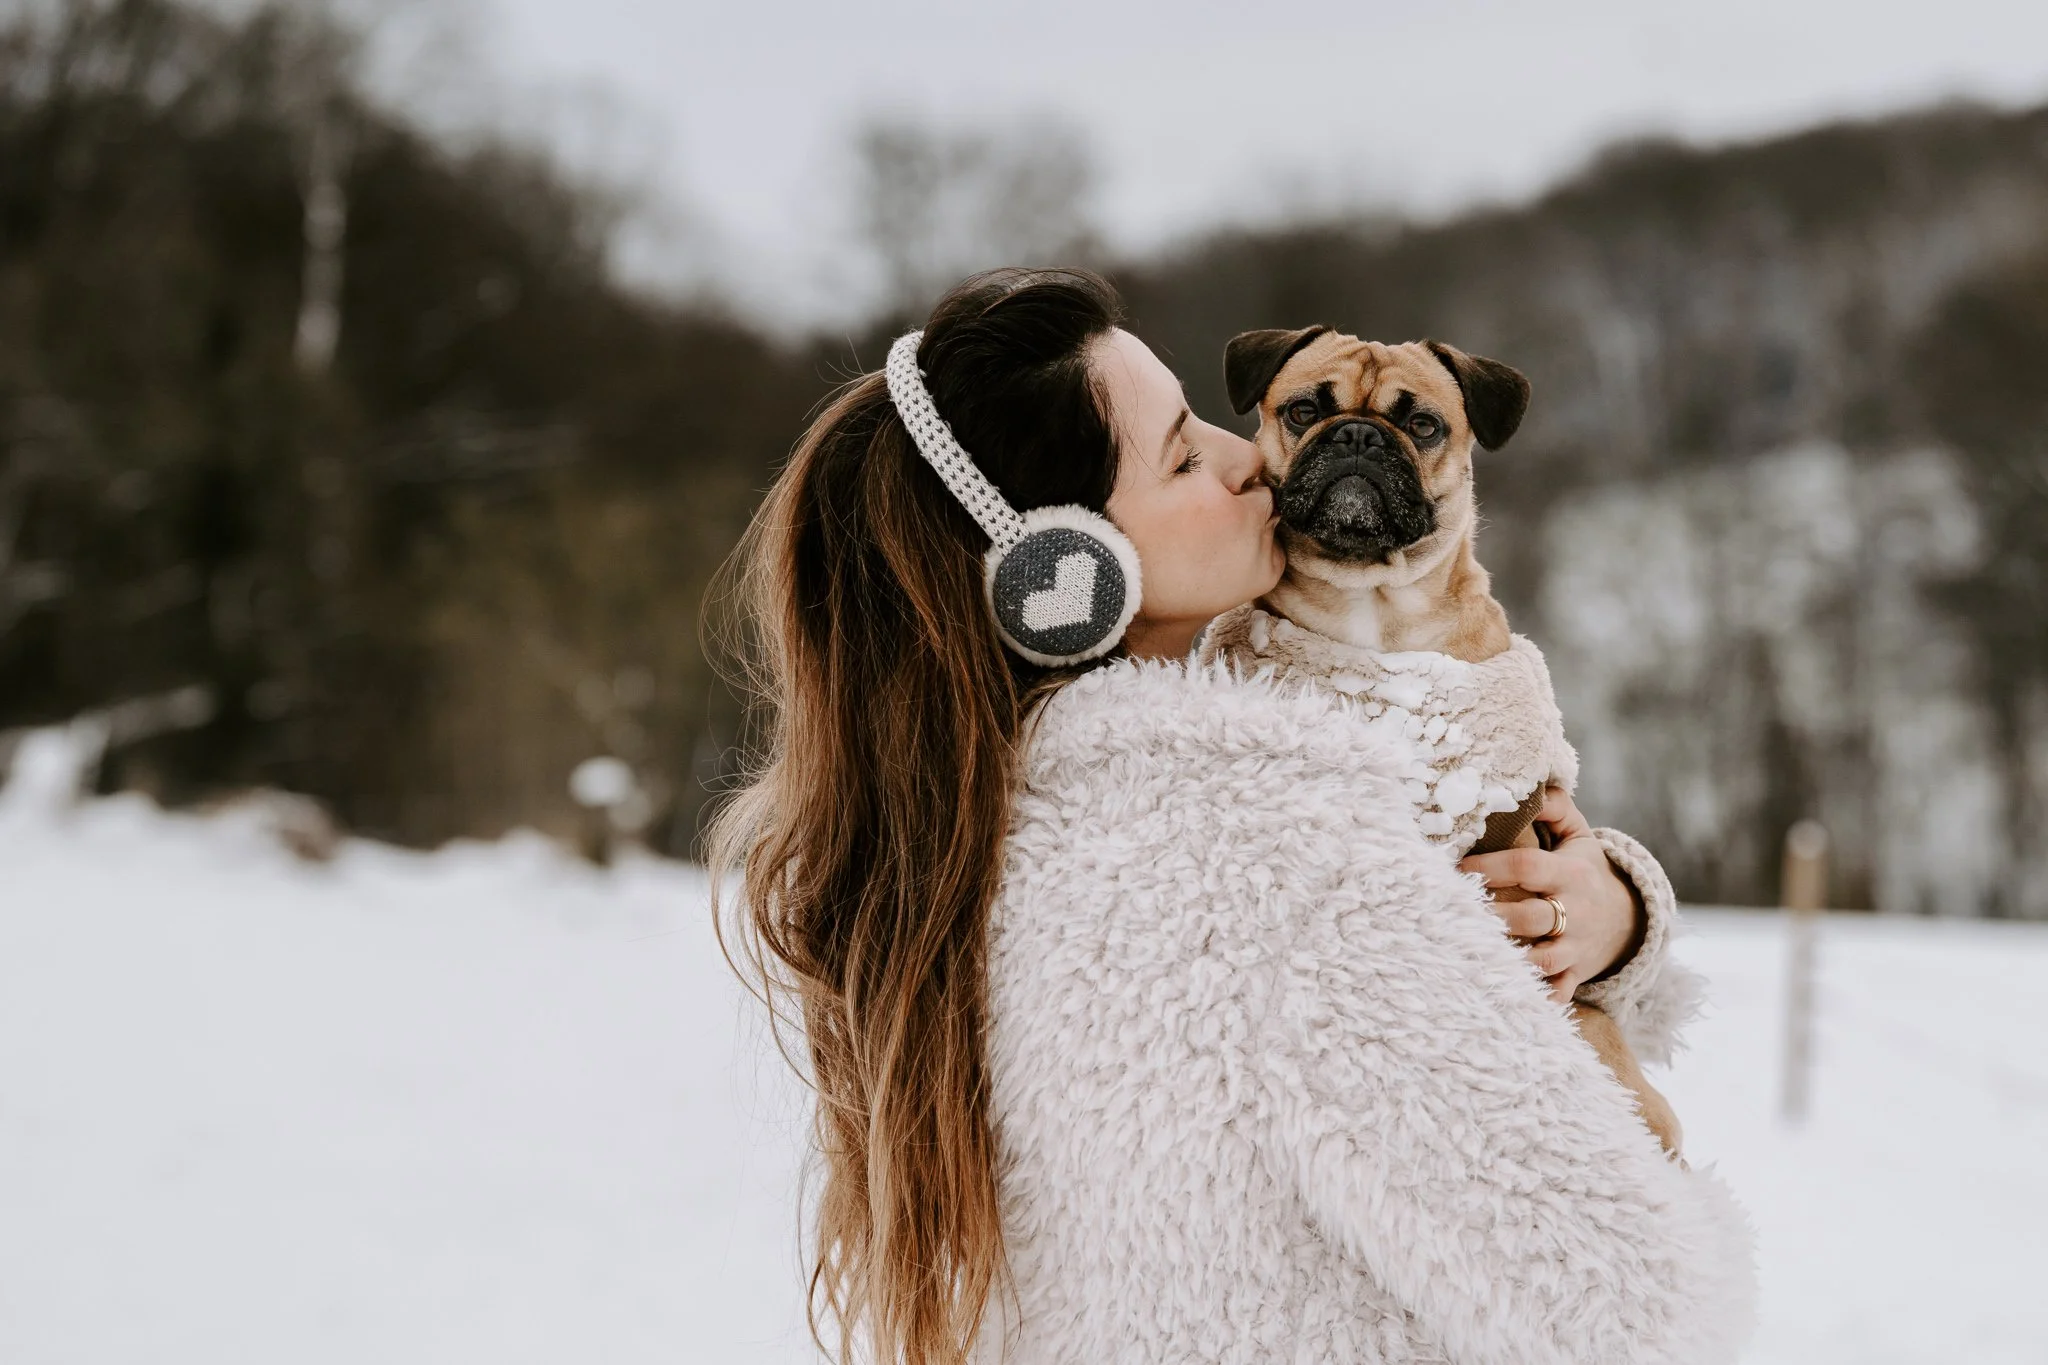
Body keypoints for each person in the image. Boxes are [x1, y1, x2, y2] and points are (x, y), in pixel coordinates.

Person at [712, 268, 1755, 1365]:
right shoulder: (1280, 854)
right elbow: (1637, 1313)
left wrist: (1612, 912)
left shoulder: (988, 813)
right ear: (1066, 570)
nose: (1242, 457)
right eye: (1180, 453)